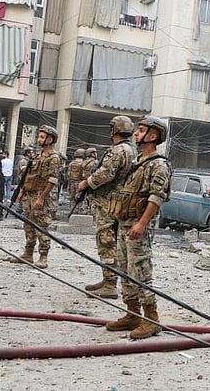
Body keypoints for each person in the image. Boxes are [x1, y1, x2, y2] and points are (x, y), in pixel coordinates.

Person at [105, 116, 172, 340]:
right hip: (125, 223)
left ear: (152, 136)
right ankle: (132, 314)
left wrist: (142, 223)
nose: (136, 133)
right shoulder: (138, 161)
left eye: (141, 130)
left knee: (140, 271)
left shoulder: (158, 164)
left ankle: (151, 319)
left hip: (138, 226)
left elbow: (156, 196)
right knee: (124, 269)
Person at [77, 117, 136, 299]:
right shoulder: (130, 150)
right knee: (110, 239)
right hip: (118, 200)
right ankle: (107, 279)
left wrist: (86, 183)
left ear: (114, 130)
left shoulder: (118, 150)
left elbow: (106, 173)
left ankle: (110, 284)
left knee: (106, 239)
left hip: (108, 201)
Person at [10, 125, 63, 269]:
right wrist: (22, 192)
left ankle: (43, 256)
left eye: (42, 136)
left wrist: (41, 198)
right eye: (39, 136)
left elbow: (52, 180)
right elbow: (29, 176)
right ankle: (28, 253)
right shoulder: (38, 156)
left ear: (50, 139)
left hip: (42, 195)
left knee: (41, 226)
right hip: (30, 194)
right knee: (28, 224)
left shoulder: (54, 158)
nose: (39, 139)